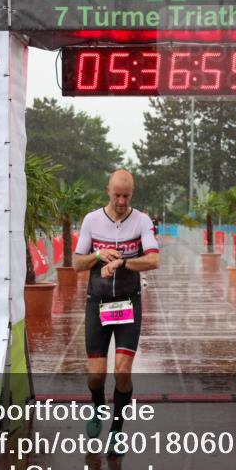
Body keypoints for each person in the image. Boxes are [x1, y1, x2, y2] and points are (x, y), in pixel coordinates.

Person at [73, 170, 159, 455]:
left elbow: (153, 260)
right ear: (107, 191)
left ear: (132, 194)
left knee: (122, 371)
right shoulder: (92, 220)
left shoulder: (142, 221)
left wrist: (123, 262)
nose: (121, 201)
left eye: (127, 196)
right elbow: (77, 264)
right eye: (117, 195)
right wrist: (98, 255)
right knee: (96, 375)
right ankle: (98, 406)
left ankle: (117, 431)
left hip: (127, 304)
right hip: (98, 303)